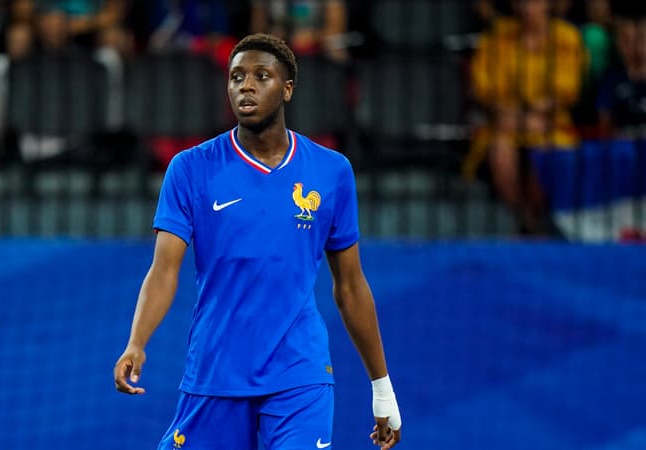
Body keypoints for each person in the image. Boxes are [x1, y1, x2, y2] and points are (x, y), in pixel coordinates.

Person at [113, 33, 402, 449]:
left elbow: (351, 286)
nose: (245, 85)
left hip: (299, 375)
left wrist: (382, 388)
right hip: (216, 372)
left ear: (287, 89)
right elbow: (164, 269)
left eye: (261, 76)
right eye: (236, 77)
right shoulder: (191, 169)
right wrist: (137, 342)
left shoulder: (331, 171)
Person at [464, 0, 585, 235]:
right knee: (500, 150)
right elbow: (484, 88)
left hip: (551, 122)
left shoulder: (566, 37)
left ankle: (536, 217)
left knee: (546, 148)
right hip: (506, 122)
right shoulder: (498, 36)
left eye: (535, 2)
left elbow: (569, 88)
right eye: (523, 2)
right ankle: (526, 218)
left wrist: (535, 114)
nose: (528, 8)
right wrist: (516, 116)